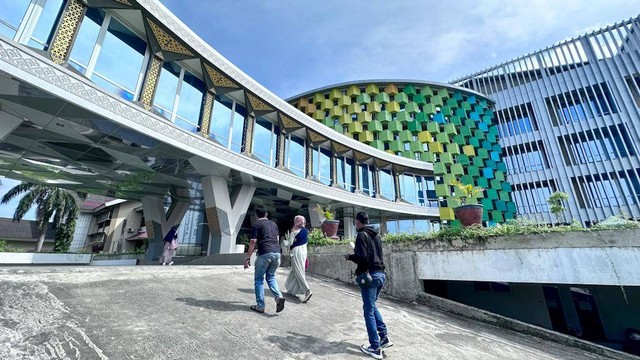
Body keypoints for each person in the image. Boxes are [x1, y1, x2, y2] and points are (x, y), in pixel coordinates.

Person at [344, 211, 392, 359]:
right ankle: (383, 337)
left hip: (370, 276)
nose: (355, 225)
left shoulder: (361, 235)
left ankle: (375, 347)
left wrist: (350, 256)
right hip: (381, 274)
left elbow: (362, 257)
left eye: (355, 222)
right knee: (372, 306)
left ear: (358, 222)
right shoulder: (376, 235)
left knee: (368, 311)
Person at [244, 205, 286, 314]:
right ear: (266, 214)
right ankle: (278, 297)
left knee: (258, 280)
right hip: (277, 253)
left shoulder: (257, 225)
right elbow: (276, 240)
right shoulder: (274, 225)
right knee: (271, 276)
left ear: (256, 215)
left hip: (265, 254)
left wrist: (248, 258)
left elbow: (253, 242)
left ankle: (260, 306)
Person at [284, 215, 313, 302]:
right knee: (294, 271)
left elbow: (289, 243)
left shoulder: (294, 230)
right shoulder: (304, 230)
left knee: (298, 271)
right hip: (304, 252)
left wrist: (284, 242)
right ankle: (291, 290)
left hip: (296, 252)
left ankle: (307, 291)